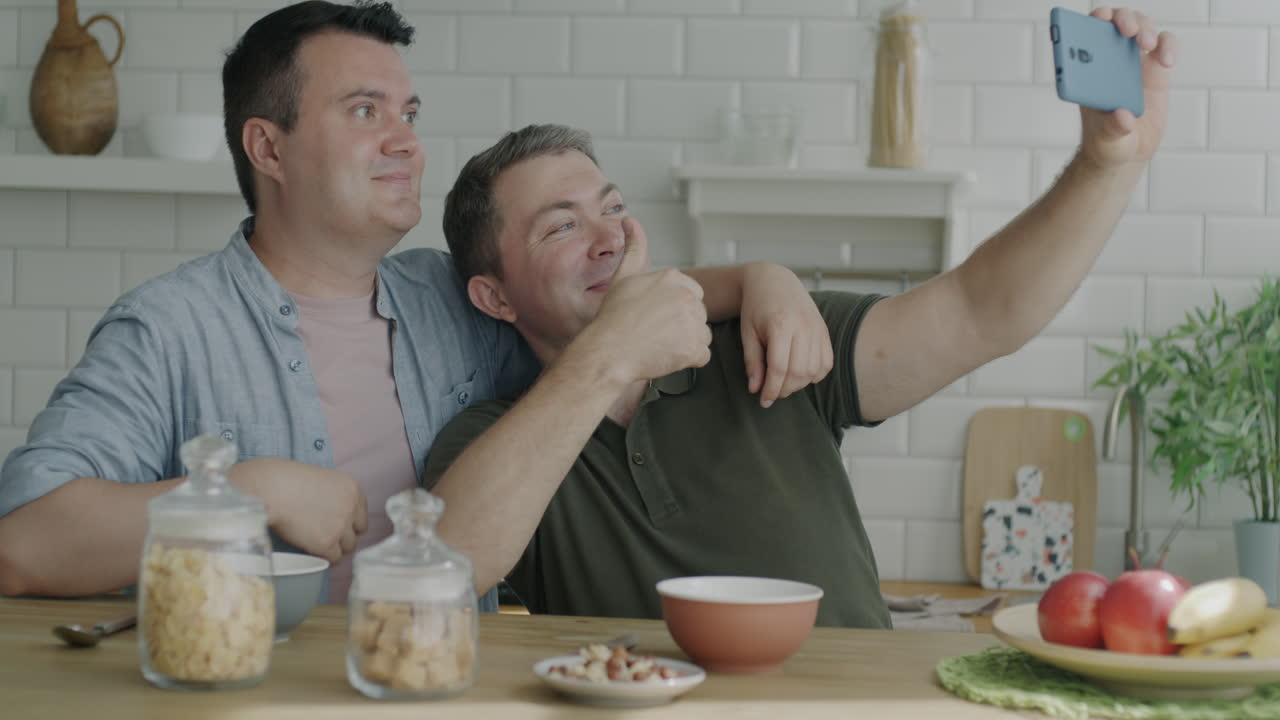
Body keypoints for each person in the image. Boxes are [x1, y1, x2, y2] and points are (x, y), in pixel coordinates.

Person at [0, 1, 832, 602]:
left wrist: (763, 277)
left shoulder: (451, 298)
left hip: (443, 687)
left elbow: (619, 309)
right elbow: (24, 545)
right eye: (365, 111)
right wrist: (252, 492)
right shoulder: (169, 330)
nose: (406, 139)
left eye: (409, 112)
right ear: (268, 146)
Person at [423, 7, 1178, 627]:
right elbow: (447, 568)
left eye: (613, 209)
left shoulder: (759, 339)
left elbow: (984, 312)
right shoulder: (491, 439)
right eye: (560, 227)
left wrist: (1109, 164)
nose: (609, 237)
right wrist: (611, 354)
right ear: (494, 297)